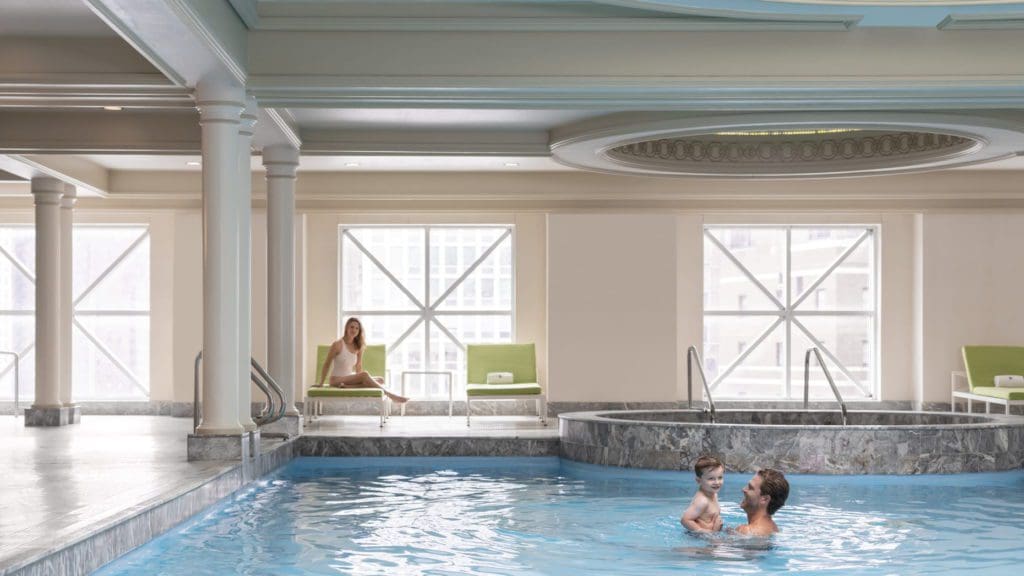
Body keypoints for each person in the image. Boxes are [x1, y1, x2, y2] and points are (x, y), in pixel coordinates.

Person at [318, 317, 409, 404]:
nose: (354, 330)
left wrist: (360, 379)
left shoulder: (358, 346)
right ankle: (391, 395)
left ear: (359, 331)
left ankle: (348, 387)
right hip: (336, 379)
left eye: (357, 328)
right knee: (365, 375)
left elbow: (358, 366)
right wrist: (321, 383)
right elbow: (327, 363)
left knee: (380, 380)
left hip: (348, 378)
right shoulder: (337, 344)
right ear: (346, 328)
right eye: (352, 327)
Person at [736, 468, 789, 536]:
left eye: (750, 487)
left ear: (764, 499)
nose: (743, 489)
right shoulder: (774, 528)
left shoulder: (746, 531)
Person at [681, 455, 725, 532]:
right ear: (699, 481)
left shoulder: (713, 494)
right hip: (703, 538)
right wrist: (705, 533)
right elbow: (685, 520)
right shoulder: (702, 501)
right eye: (711, 478)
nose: (717, 482)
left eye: (720, 477)